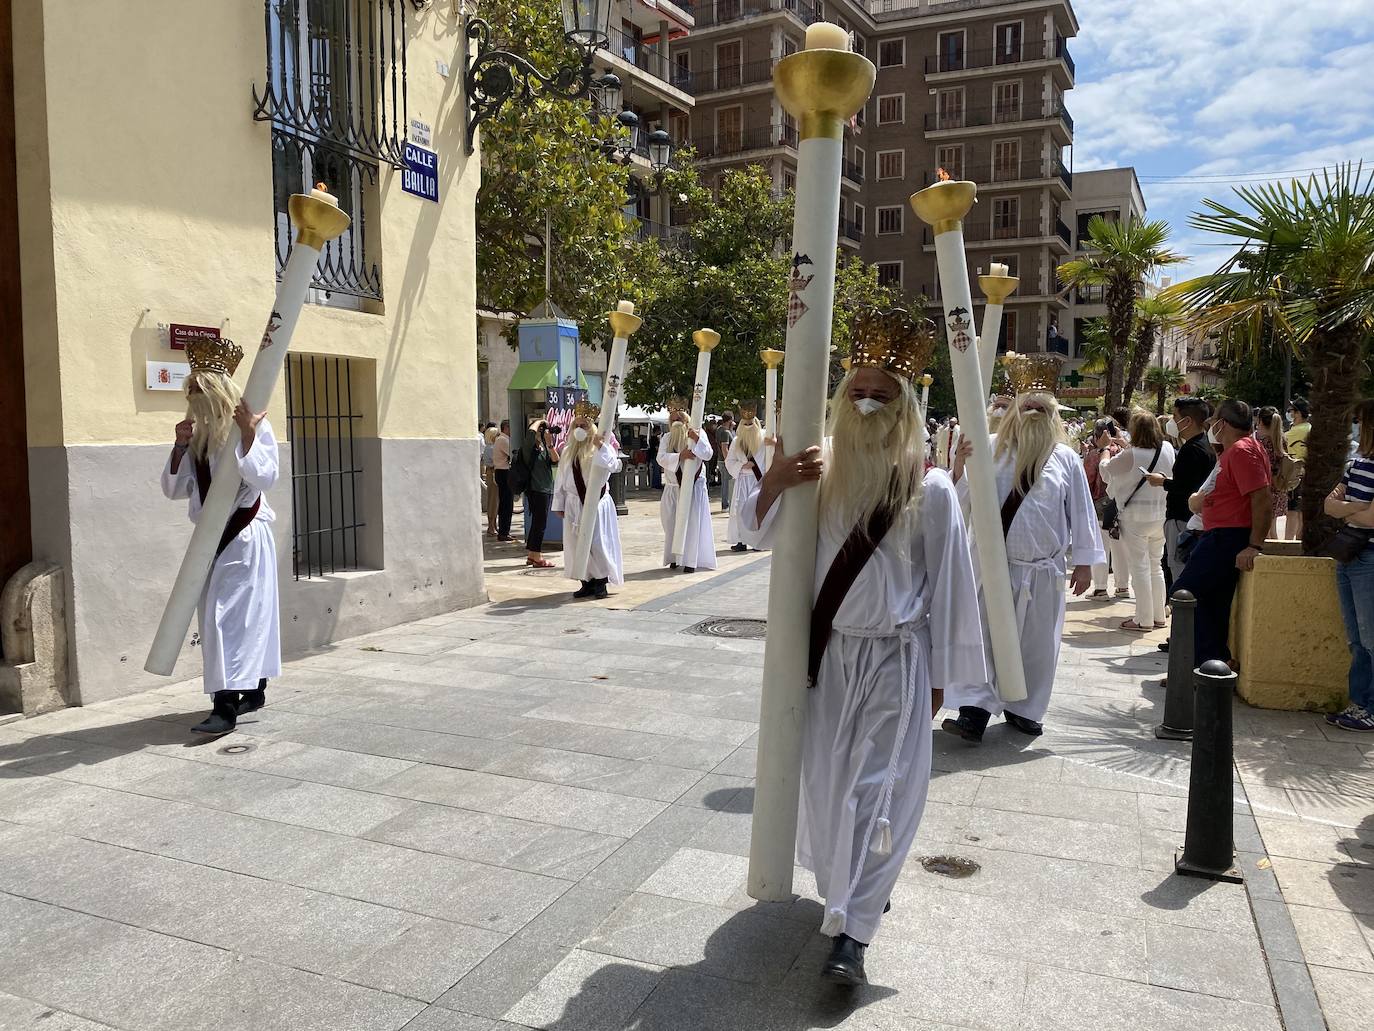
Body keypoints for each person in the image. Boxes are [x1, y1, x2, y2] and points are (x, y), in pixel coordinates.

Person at [741, 313, 985, 984]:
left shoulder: (931, 489)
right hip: (830, 663)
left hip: (897, 663)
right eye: (858, 392)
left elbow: (953, 589)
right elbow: (755, 535)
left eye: (881, 393)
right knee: (829, 789)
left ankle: (852, 935)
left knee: (880, 793)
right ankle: (850, 892)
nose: (868, 403)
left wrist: (947, 679)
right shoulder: (818, 473)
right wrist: (773, 481)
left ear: (902, 404)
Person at [944, 352, 1104, 742]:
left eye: (1041, 408)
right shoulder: (989, 445)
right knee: (984, 636)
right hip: (991, 565)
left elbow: (1081, 511)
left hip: (1042, 570)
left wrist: (1084, 564)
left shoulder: (1064, 457)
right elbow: (960, 499)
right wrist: (961, 468)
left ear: (1053, 416)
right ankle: (974, 710)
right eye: (1027, 406)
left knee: (1035, 645)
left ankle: (1025, 709)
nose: (1033, 413)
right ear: (1014, 410)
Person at [161, 339, 280, 736]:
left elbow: (266, 477)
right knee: (228, 616)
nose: (192, 398)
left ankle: (225, 705)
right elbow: (176, 490)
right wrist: (180, 447)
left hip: (245, 534)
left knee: (229, 616)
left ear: (216, 392)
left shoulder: (254, 425)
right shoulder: (197, 437)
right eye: (189, 391)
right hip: (210, 541)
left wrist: (247, 435)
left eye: (198, 390)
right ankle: (254, 689)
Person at [1170, 400, 1271, 666]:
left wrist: (1254, 546)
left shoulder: (1242, 451)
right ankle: (1212, 661)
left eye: (1214, 419)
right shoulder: (1237, 450)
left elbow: (1261, 499)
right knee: (1211, 601)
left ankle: (1197, 664)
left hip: (1226, 536)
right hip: (1220, 534)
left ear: (1222, 424)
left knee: (1185, 593)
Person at [1324, 399, 1374, 731]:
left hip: (1368, 559)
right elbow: (1328, 505)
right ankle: (1359, 704)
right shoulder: (1356, 464)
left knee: (1370, 639)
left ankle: (1369, 707)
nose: (1354, 425)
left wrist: (1350, 508)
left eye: (1358, 420)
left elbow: (1371, 519)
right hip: (1348, 556)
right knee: (1356, 640)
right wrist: (1355, 508)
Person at [1103, 410, 1175, 631]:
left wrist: (1106, 449)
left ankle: (1142, 619)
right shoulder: (1168, 448)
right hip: (1160, 514)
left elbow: (1107, 471)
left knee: (1140, 568)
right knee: (1156, 566)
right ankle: (1158, 615)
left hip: (1134, 518)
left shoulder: (1131, 453)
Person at [551, 402, 623, 599]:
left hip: (595, 502)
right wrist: (559, 503)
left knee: (597, 542)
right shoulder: (568, 451)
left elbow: (614, 466)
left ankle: (601, 581)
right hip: (574, 503)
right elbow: (561, 479)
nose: (579, 429)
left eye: (584, 426)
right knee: (576, 543)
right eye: (577, 426)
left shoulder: (599, 448)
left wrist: (601, 446)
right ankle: (586, 580)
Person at [1150, 398, 1216, 585]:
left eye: (1175, 416)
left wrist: (1162, 482)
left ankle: (1183, 611)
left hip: (1181, 518)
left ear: (1187, 421)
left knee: (1178, 567)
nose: (1172, 421)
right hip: (1195, 518)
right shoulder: (1207, 445)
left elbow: (1185, 487)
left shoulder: (1191, 449)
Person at [657, 401, 716, 573]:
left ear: (686, 420)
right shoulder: (667, 438)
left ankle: (690, 560)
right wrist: (679, 456)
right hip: (673, 487)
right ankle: (675, 556)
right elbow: (661, 458)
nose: (676, 422)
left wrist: (696, 440)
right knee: (671, 523)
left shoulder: (698, 434)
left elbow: (708, 454)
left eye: (680, 418)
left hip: (693, 488)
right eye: (673, 418)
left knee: (692, 524)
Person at [1084, 417, 1131, 599]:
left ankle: (1101, 588)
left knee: (1101, 547)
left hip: (1099, 506)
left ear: (1097, 436)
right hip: (1121, 505)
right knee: (1120, 547)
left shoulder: (1096, 454)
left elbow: (1087, 480)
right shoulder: (1125, 452)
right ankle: (1122, 586)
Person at [724, 406, 765, 552]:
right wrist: (742, 465)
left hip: (757, 480)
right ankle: (741, 540)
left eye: (750, 424)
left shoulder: (764, 438)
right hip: (742, 481)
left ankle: (757, 541)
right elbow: (729, 462)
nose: (748, 427)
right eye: (745, 424)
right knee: (740, 511)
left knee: (757, 510)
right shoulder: (736, 441)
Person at [521, 419, 559, 569]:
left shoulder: (543, 447)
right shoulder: (529, 447)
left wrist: (550, 444)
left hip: (546, 489)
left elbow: (556, 460)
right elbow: (530, 433)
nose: (543, 432)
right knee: (540, 524)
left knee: (538, 522)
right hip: (536, 489)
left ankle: (532, 555)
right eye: (541, 430)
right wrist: (539, 422)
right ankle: (537, 556)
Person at [1255, 406, 1289, 538]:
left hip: (1264, 489)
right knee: (1272, 529)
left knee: (1265, 531)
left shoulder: (1259, 442)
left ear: (1260, 421)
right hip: (1279, 487)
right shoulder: (1282, 440)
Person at [1285, 397, 1312, 539]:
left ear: (1298, 413)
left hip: (1294, 474)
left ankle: (1288, 543)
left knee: (1292, 512)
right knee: (1302, 513)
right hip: (1307, 473)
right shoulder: (1310, 429)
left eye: (1292, 411)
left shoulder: (1293, 432)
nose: (1290, 414)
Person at [493, 420, 514, 541]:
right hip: (503, 472)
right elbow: (512, 453)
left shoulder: (503, 439)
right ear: (506, 428)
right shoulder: (503, 440)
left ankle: (505, 530)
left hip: (503, 472)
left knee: (507, 503)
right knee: (506, 504)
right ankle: (503, 532)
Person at [716, 412, 737, 512]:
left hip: (721, 460)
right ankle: (726, 505)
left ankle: (725, 504)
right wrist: (729, 462)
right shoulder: (725, 432)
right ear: (730, 420)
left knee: (725, 482)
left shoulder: (720, 430)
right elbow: (724, 448)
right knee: (727, 483)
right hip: (725, 461)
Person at [481, 425, 499, 537]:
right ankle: (491, 525)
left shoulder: (489, 447)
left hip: (491, 473)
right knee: (493, 500)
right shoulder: (491, 448)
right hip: (492, 473)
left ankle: (493, 525)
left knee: (494, 500)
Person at [648, 425, 663, 490]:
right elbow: (657, 448)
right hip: (655, 456)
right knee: (657, 471)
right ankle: (656, 484)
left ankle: (656, 484)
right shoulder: (655, 439)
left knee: (656, 470)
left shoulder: (651, 438)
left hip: (652, 456)